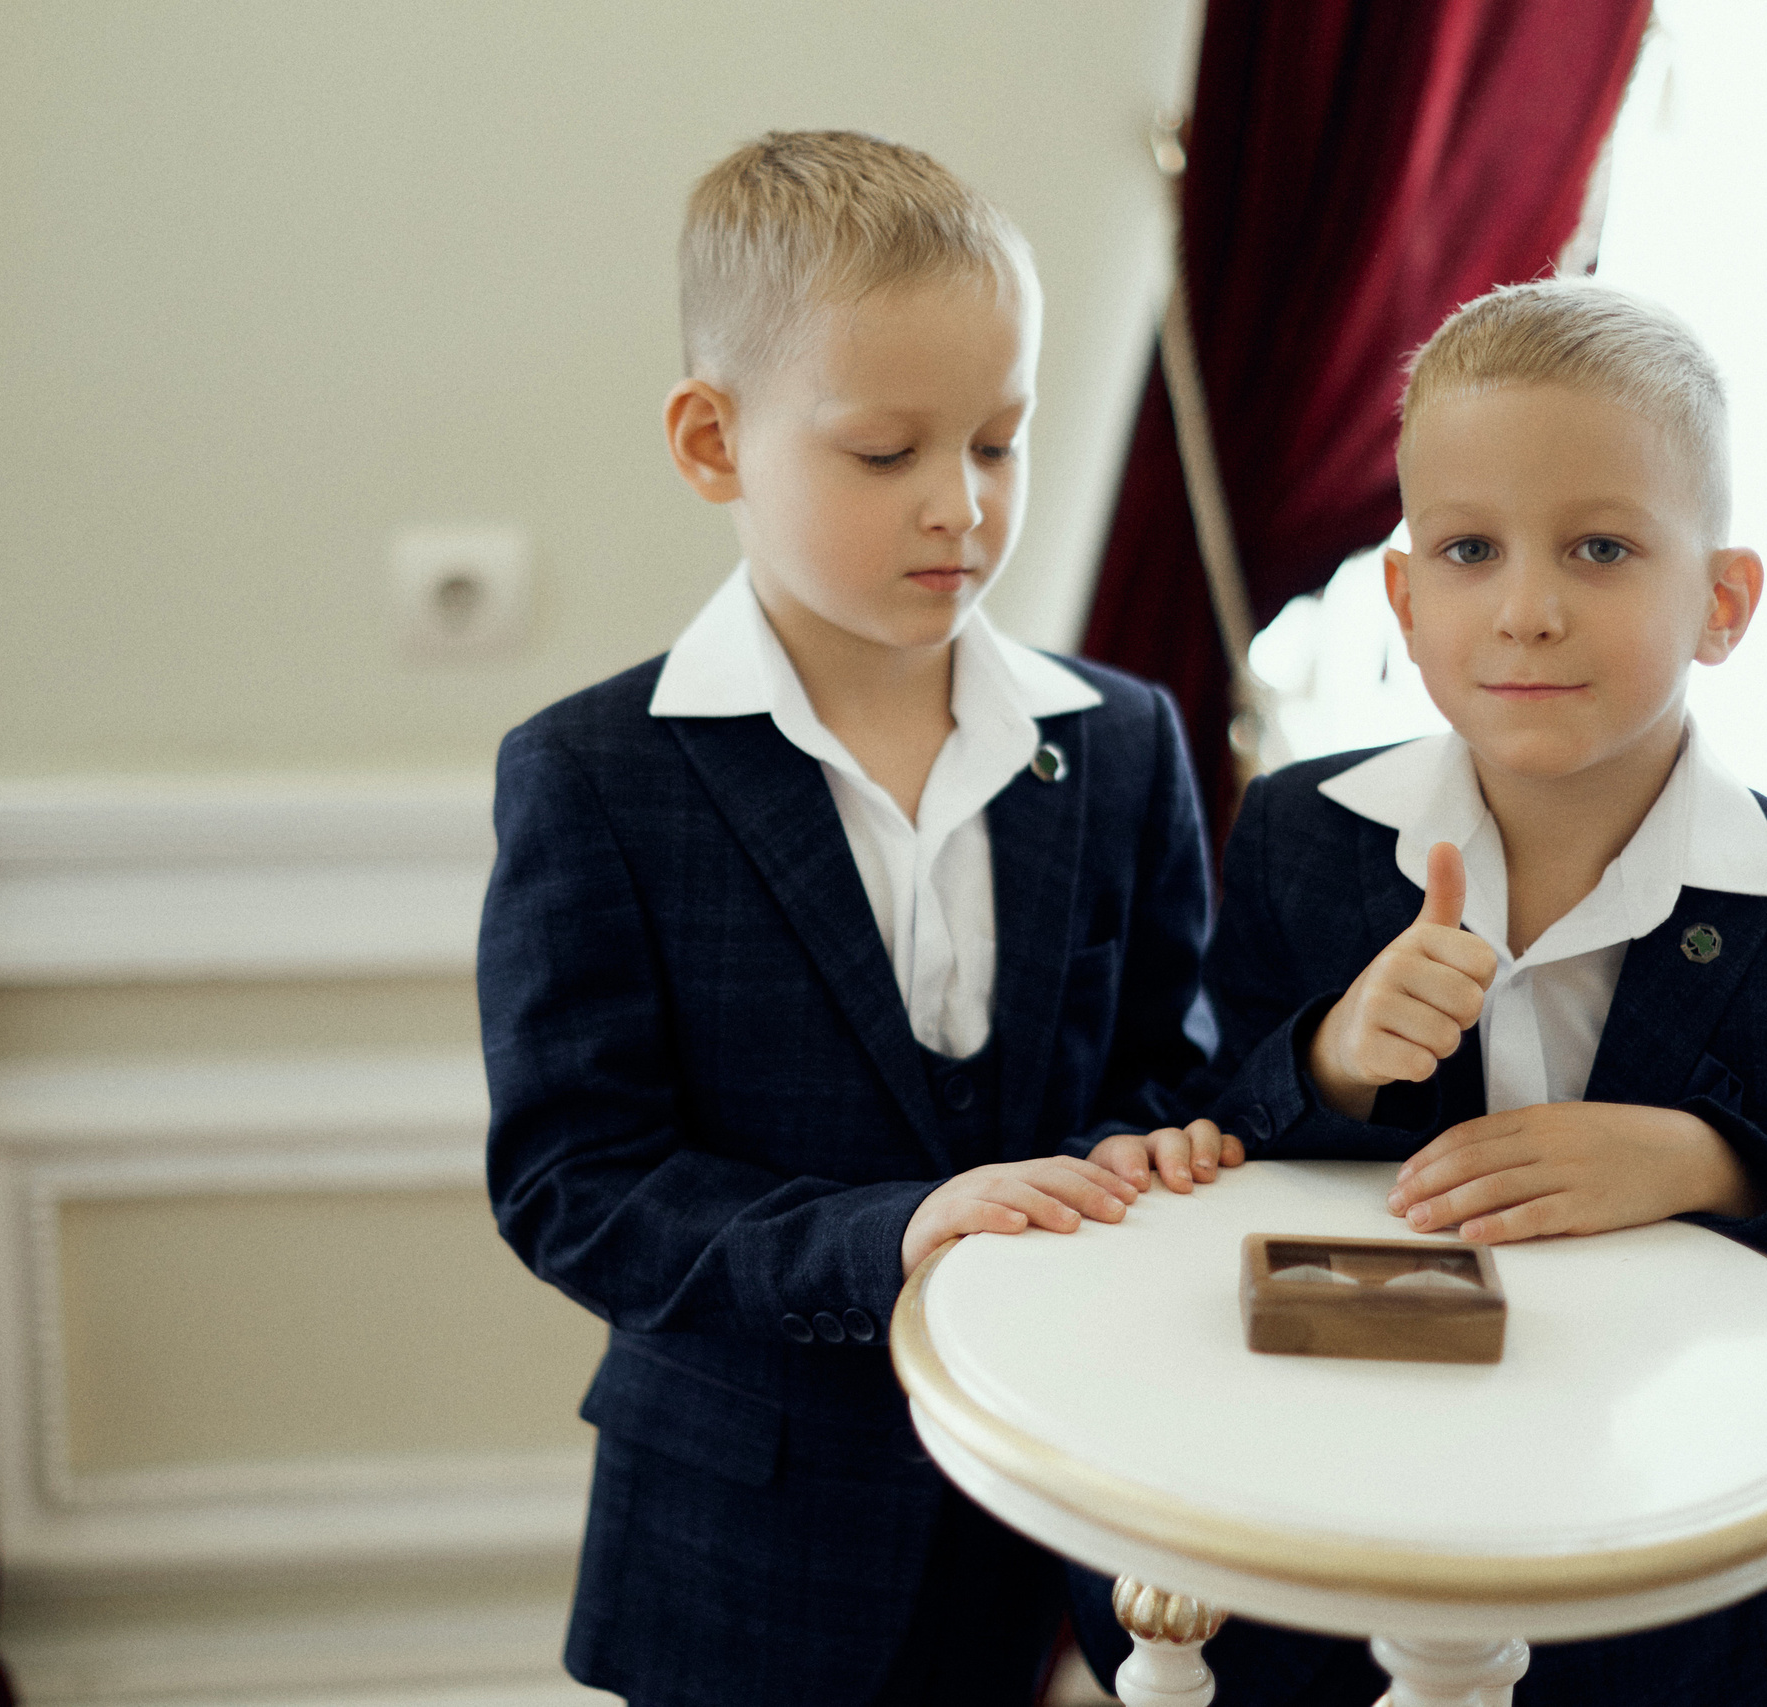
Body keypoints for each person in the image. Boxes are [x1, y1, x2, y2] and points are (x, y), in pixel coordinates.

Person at [1069, 280, 1767, 1705]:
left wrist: (1708, 1164)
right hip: (1330, 1548)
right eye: (1470, 550)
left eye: (1601, 548)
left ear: (1721, 603)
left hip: (1645, 1585)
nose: (1527, 611)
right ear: (1407, 600)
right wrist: (1335, 1059)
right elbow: (1201, 1140)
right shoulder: (1300, 833)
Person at [480, 130, 1234, 1707]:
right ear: (710, 440)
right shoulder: (594, 776)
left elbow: (1171, 1069)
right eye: (887, 452)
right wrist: (891, 1235)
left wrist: (1152, 1144)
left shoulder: (1121, 740)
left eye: (1001, 443)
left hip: (1035, 1500)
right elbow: (579, 1184)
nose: (960, 505)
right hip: (739, 1536)